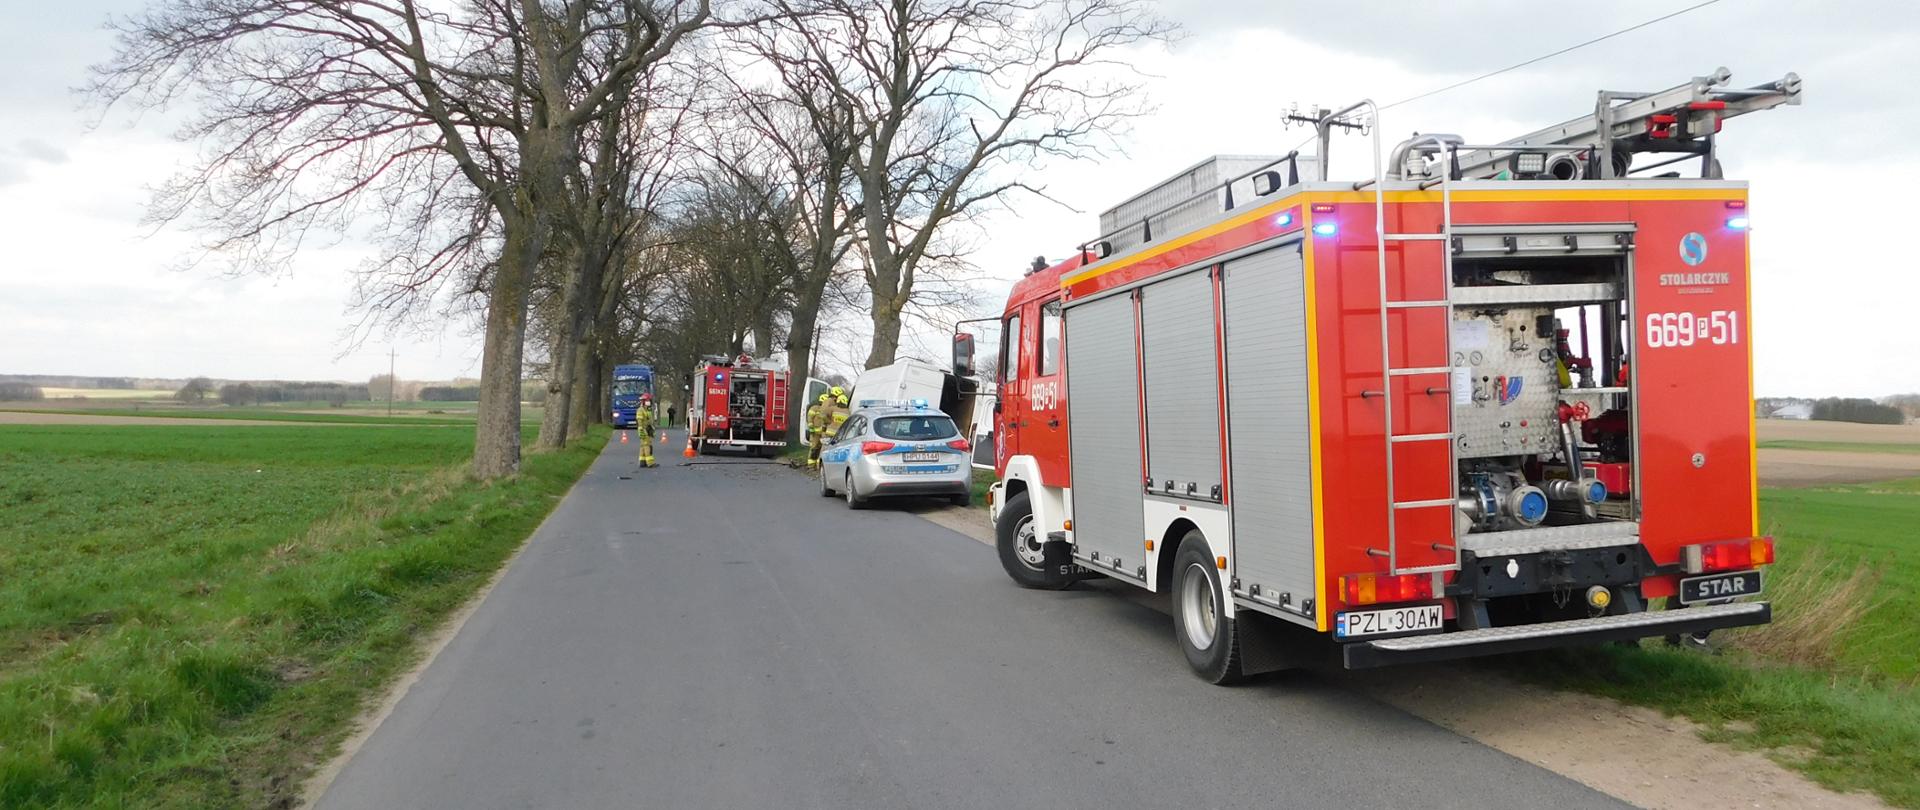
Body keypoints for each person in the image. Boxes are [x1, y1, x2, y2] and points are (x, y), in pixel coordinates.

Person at [805, 393, 829, 468]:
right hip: (815, 433)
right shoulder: (814, 408)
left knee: (822, 449)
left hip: (823, 433)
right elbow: (810, 419)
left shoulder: (827, 410)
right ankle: (811, 465)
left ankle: (818, 465)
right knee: (814, 448)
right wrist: (811, 429)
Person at [635, 393, 657, 467]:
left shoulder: (647, 410)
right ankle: (650, 463)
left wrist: (652, 429)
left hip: (648, 429)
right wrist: (641, 430)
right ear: (645, 401)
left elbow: (649, 420)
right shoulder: (640, 410)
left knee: (643, 445)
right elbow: (639, 420)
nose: (650, 402)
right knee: (647, 445)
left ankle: (642, 462)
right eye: (649, 400)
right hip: (643, 429)